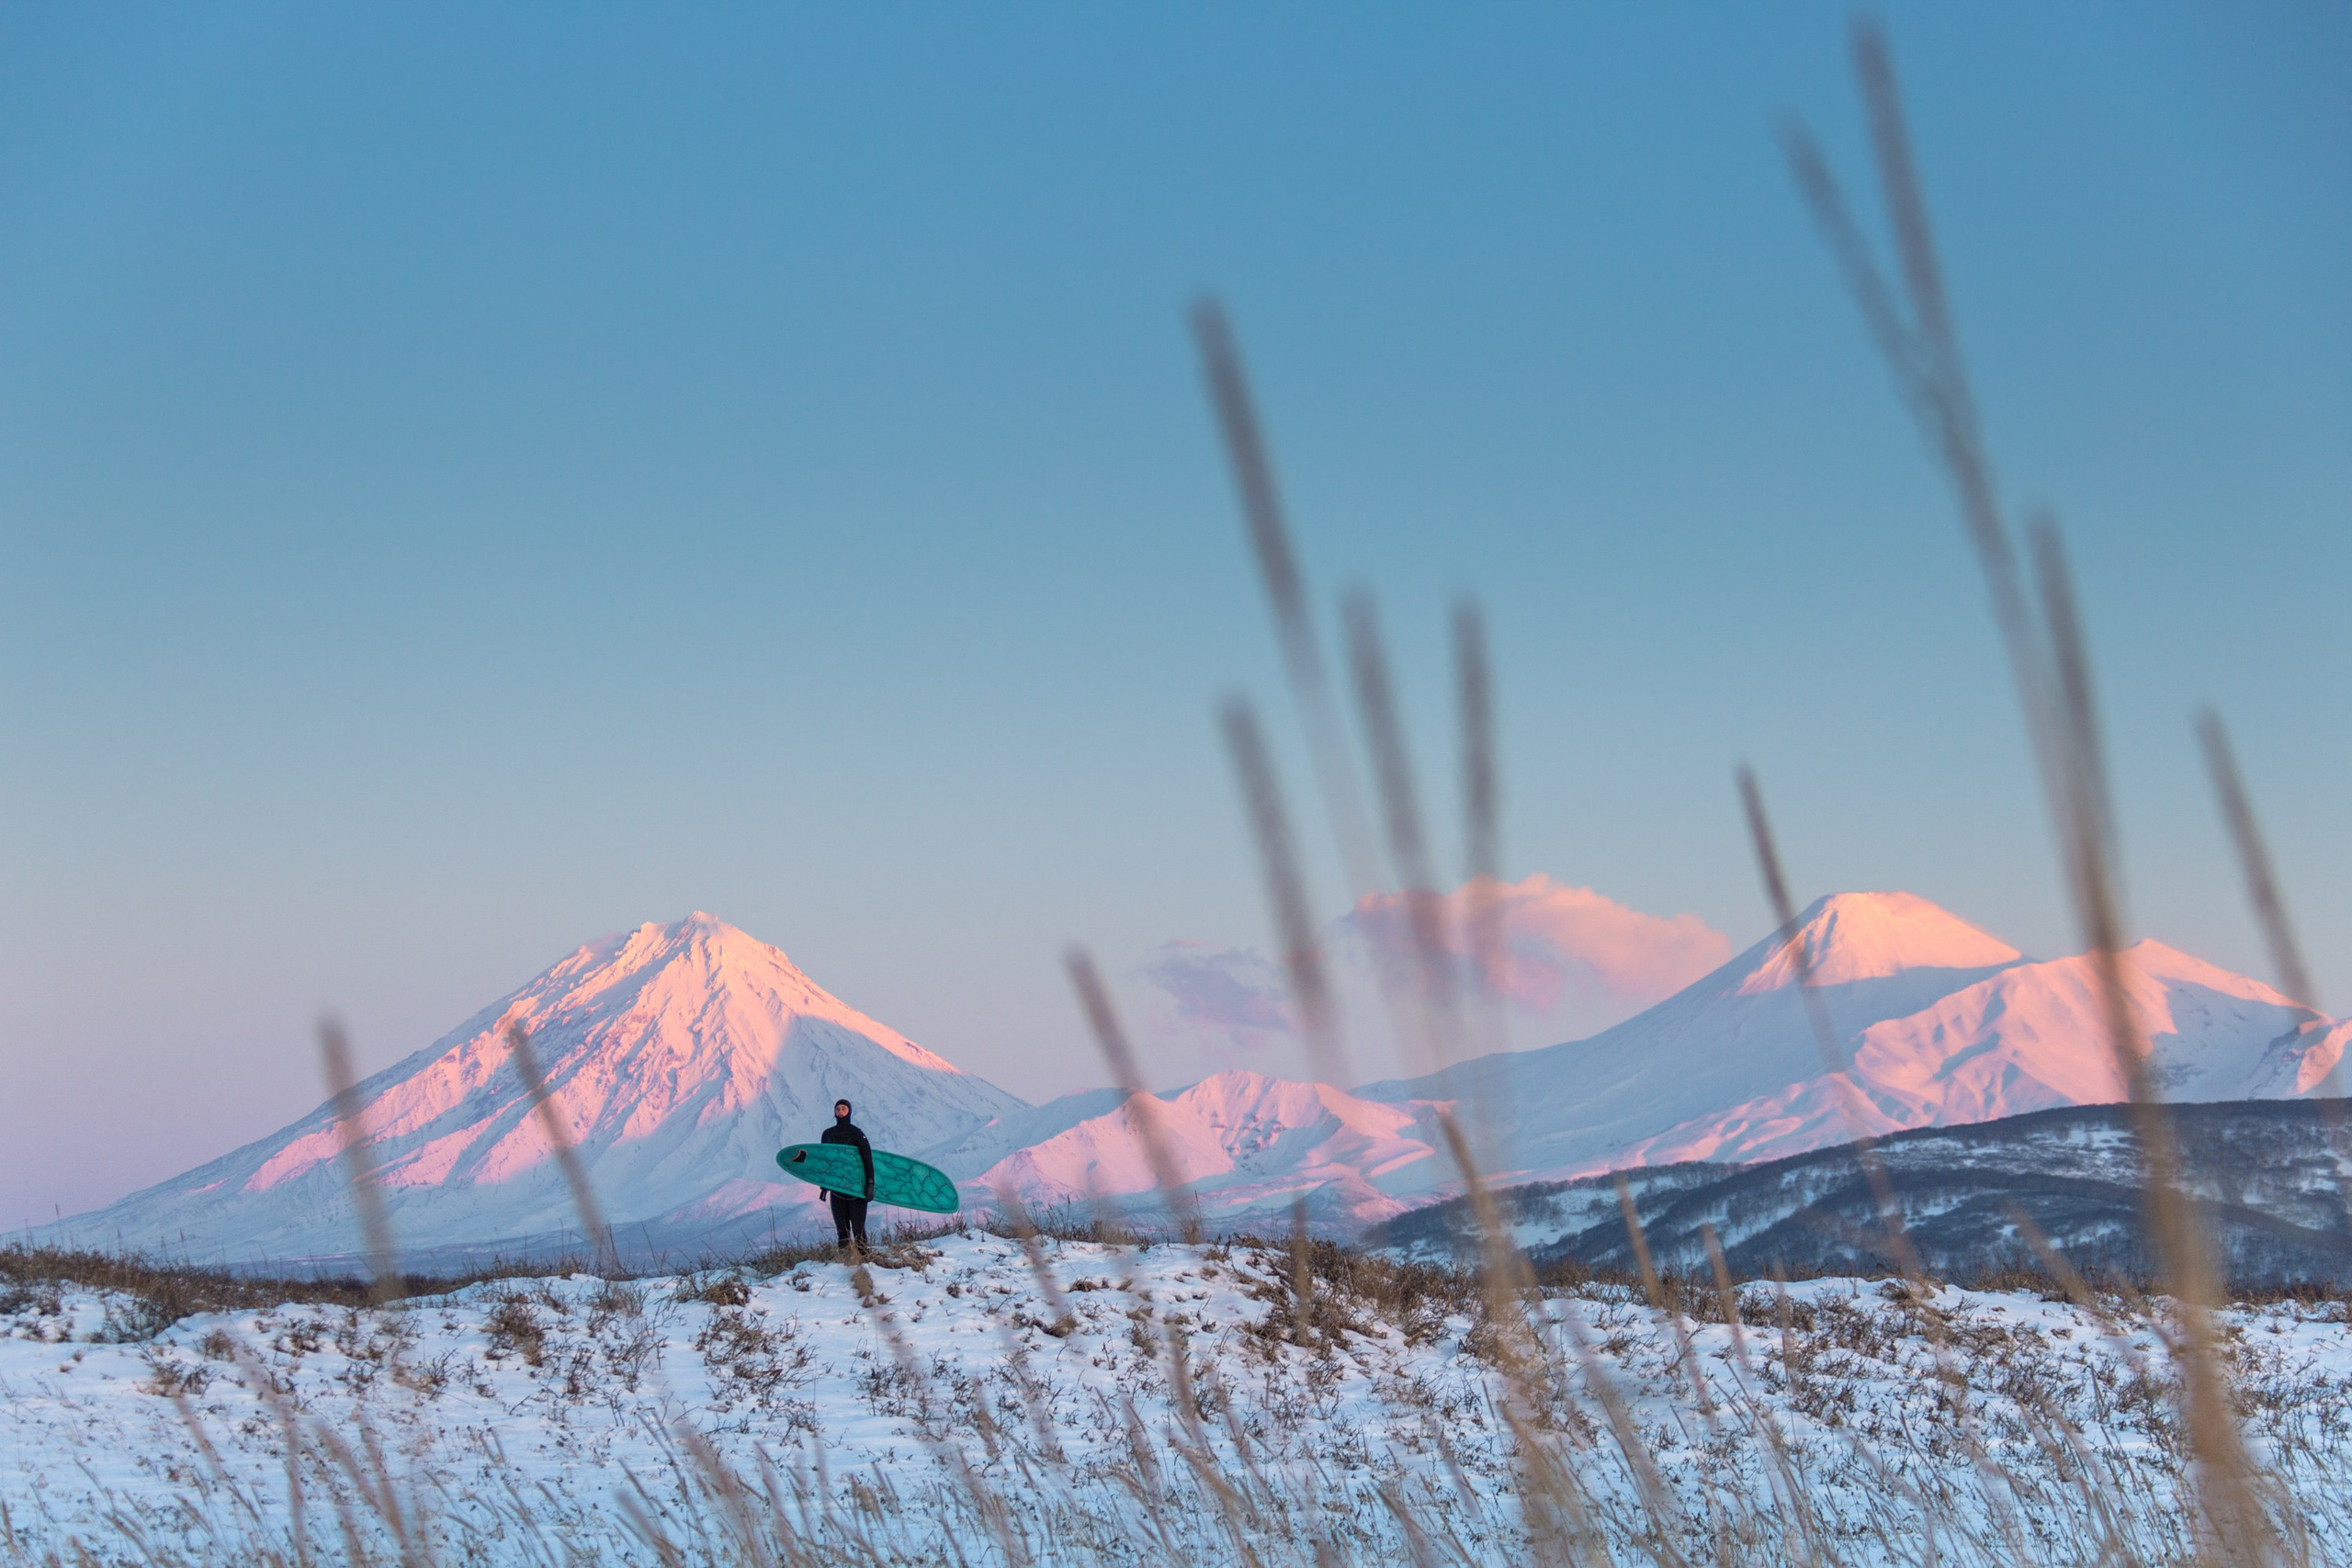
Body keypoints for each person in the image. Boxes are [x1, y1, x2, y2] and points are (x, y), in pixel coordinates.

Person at [821, 1099, 876, 1254]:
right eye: (837, 1109)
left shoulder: (857, 1134)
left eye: (843, 1109)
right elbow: (825, 1161)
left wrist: (870, 1183)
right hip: (837, 1188)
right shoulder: (828, 1134)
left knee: (858, 1228)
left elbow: (867, 1159)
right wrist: (824, 1185)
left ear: (849, 1111)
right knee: (842, 1228)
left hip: (856, 1188)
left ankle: (863, 1258)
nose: (840, 1111)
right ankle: (844, 1260)